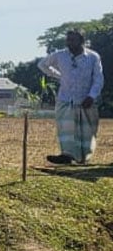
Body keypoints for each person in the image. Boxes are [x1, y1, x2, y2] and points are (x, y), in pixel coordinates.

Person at [38, 30, 105, 165]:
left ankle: (83, 159)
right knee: (66, 130)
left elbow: (98, 79)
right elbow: (42, 65)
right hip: (66, 99)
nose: (69, 43)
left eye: (73, 40)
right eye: (68, 40)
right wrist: (58, 75)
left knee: (87, 132)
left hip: (86, 100)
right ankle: (67, 156)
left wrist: (91, 96)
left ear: (81, 41)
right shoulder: (60, 55)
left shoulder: (93, 57)